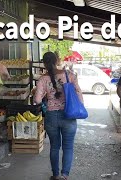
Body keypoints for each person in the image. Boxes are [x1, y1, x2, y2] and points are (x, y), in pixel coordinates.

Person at [34, 52, 83, 180]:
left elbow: (37, 100)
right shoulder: (70, 75)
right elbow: (79, 94)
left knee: (54, 147)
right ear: (57, 61)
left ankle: (55, 175)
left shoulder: (42, 79)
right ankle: (65, 175)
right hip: (69, 114)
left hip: (51, 116)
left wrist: (46, 98)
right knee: (68, 147)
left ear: (44, 63)